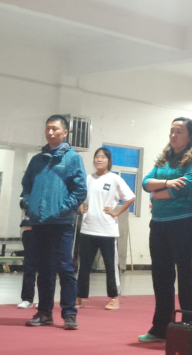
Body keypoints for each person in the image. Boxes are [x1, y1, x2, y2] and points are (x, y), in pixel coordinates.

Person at [139, 117, 192, 343]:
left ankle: (190, 328)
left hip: (185, 223)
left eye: (179, 131)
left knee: (187, 275)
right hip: (159, 223)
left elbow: (185, 187)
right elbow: (145, 183)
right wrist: (167, 184)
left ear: (190, 136)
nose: (173, 135)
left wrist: (156, 195)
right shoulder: (163, 159)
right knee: (161, 276)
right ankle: (160, 328)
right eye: (172, 131)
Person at [21, 115, 87, 330]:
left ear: (65, 133)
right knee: (44, 270)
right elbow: (26, 187)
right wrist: (29, 204)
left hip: (62, 223)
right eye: (48, 128)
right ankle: (44, 313)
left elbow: (80, 191)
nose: (50, 132)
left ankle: (69, 314)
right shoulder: (37, 160)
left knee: (65, 268)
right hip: (39, 223)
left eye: (55, 129)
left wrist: (60, 209)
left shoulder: (73, 158)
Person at [76, 148, 136, 311]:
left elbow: (131, 197)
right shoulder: (88, 179)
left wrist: (116, 212)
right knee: (84, 266)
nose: (99, 160)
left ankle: (114, 297)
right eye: (97, 157)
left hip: (107, 230)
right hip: (88, 228)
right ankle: (79, 296)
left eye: (103, 157)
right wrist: (82, 208)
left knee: (111, 265)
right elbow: (79, 195)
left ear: (109, 161)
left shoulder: (114, 179)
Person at [17, 206, 37, 309]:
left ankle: (45, 300)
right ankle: (27, 298)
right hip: (29, 228)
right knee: (29, 265)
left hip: (48, 227)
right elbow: (23, 203)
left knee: (46, 267)